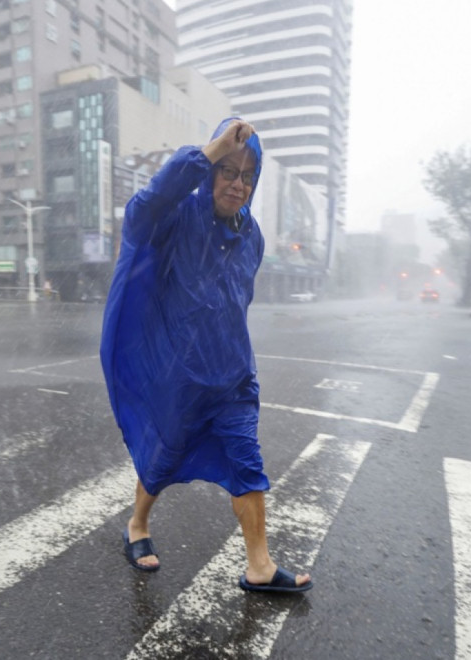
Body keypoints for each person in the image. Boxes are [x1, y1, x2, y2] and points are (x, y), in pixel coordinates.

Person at [100, 117, 312, 593]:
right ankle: (137, 525)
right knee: (160, 462)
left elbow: (236, 303)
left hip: (232, 379)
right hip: (181, 380)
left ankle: (259, 565)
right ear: (210, 170)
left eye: (246, 176)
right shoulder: (178, 217)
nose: (237, 184)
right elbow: (141, 211)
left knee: (247, 463)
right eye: (227, 170)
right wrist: (210, 149)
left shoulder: (252, 237)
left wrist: (239, 367)